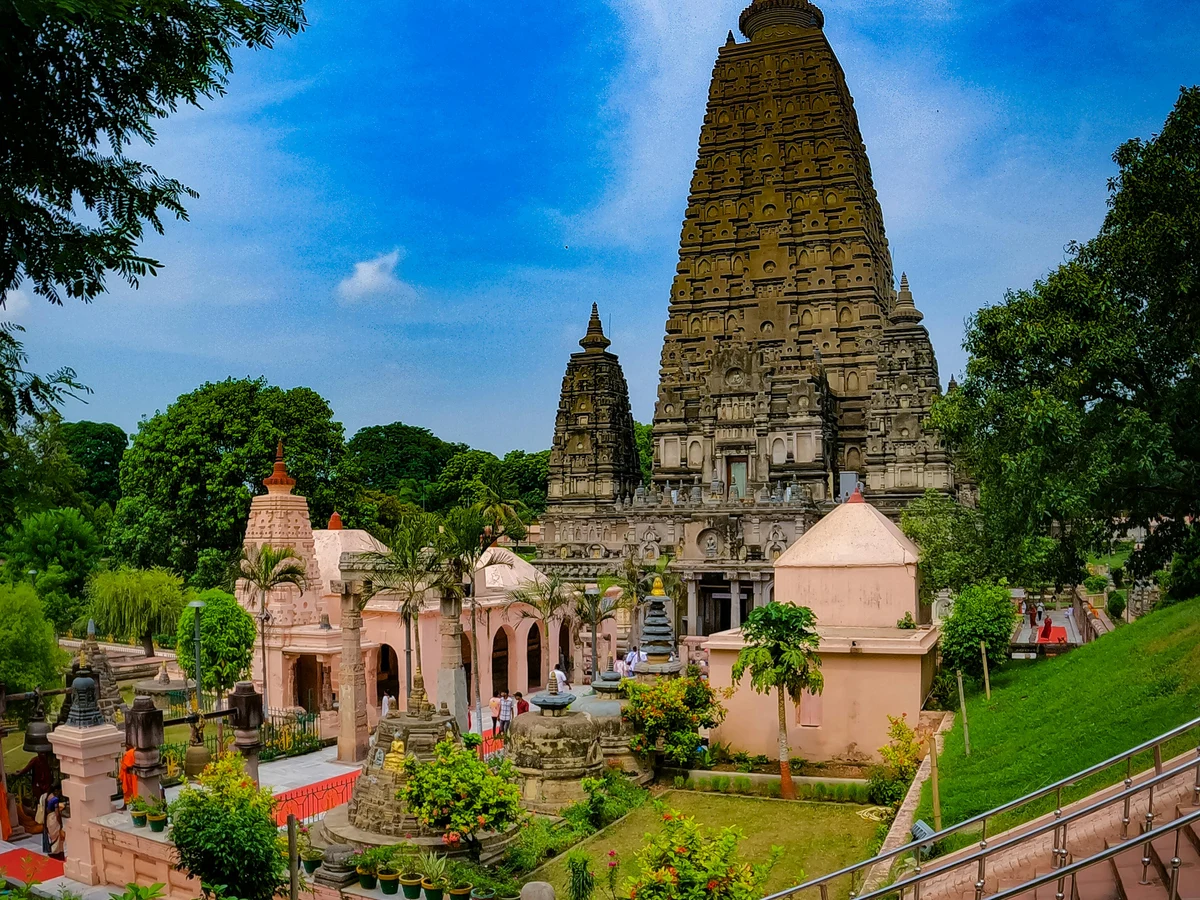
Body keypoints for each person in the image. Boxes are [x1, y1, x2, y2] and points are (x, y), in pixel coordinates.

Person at [119, 741, 138, 807]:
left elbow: (124, 766)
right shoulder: (136, 752)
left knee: (128, 791)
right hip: (135, 775)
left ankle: (126, 805)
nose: (125, 748)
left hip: (129, 776)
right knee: (136, 790)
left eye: (126, 746)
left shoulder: (129, 753)